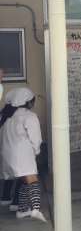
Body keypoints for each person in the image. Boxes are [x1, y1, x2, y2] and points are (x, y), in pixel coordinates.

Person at [0, 88, 46, 222]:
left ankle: (22, 210)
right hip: (23, 154)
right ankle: (36, 210)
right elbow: (36, 138)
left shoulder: (6, 115)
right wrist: (36, 152)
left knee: (25, 181)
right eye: (33, 101)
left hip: (7, 155)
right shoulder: (29, 116)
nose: (33, 104)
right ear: (28, 102)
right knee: (32, 181)